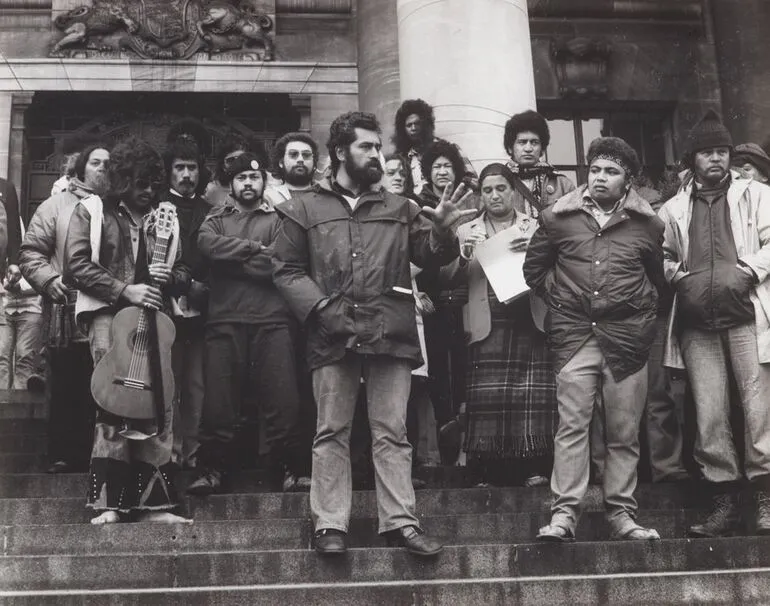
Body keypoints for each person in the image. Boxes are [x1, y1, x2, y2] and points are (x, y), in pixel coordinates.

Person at [273, 111, 474, 556]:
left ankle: (401, 522)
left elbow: (431, 253)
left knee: (392, 432)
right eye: (367, 147)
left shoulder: (401, 207)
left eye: (378, 147)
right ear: (341, 151)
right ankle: (329, 525)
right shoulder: (301, 208)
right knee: (331, 431)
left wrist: (442, 232)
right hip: (332, 331)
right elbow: (286, 271)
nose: (377, 155)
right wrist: (323, 309)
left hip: (389, 330)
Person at [524, 136, 665, 542]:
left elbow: (658, 281)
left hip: (628, 340)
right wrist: (566, 300)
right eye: (596, 169)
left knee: (624, 432)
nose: (601, 177)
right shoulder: (557, 218)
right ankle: (564, 515)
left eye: (612, 171)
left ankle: (621, 514)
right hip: (574, 340)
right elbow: (534, 271)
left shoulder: (648, 225)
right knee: (572, 427)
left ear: (628, 181)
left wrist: (639, 314)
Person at [64, 137, 189, 524]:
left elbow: (184, 271)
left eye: (153, 184)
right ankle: (110, 505)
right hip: (108, 317)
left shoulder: (165, 217)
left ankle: (156, 507)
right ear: (121, 181)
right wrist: (124, 289)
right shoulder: (93, 211)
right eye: (139, 184)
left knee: (159, 405)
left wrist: (172, 277)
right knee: (113, 405)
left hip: (155, 319)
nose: (148, 192)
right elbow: (75, 266)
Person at [659, 110, 770, 537]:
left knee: (759, 407)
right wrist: (679, 279)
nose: (716, 159)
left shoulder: (756, 195)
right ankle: (722, 501)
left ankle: (764, 499)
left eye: (722, 151)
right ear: (693, 159)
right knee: (709, 411)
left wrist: (747, 272)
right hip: (696, 323)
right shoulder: (673, 208)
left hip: (746, 315)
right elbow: (663, 256)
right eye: (707, 152)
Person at [188, 152, 310, 495]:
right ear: (232, 184)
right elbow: (206, 245)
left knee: (282, 399)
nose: (248, 184)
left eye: (254, 178)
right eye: (241, 178)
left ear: (264, 182)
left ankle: (292, 468)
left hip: (273, 321)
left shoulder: (280, 219)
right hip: (224, 320)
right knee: (218, 402)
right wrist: (254, 249)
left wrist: (231, 262)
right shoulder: (215, 218)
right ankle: (211, 470)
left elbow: (278, 264)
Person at [441, 163, 558, 487]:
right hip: (487, 320)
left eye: (501, 189)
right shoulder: (467, 230)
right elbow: (447, 279)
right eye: (488, 190)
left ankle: (534, 467)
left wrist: (536, 252)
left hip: (528, 318)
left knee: (529, 398)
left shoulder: (535, 226)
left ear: (513, 191)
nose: (494, 195)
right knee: (490, 401)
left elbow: (555, 271)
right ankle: (488, 472)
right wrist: (464, 255)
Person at [19, 143, 109, 474]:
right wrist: (48, 279)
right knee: (69, 381)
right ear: (81, 168)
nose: (102, 168)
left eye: (108, 164)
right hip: (66, 308)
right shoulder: (55, 205)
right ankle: (65, 453)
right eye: (96, 162)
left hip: (106, 310)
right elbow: (30, 253)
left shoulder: (114, 206)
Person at [163, 133, 212, 469]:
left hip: (203, 310)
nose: (186, 175)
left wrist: (202, 286)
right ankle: (168, 452)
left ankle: (192, 454)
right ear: (169, 171)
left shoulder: (211, 210)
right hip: (166, 308)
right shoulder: (157, 208)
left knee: (197, 386)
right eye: (179, 167)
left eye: (191, 168)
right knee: (168, 383)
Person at [392, 99, 477, 195]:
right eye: (409, 125)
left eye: (417, 123)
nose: (413, 128)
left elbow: (474, 181)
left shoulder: (450, 149)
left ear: (426, 124)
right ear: (403, 130)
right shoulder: (403, 158)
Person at [503, 110, 575, 216]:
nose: (528, 148)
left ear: (542, 149)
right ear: (510, 148)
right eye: (522, 142)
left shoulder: (562, 184)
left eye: (534, 142)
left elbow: (575, 223)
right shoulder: (499, 181)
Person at [264, 132, 319, 206]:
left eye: (306, 155)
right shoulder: (268, 198)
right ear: (281, 162)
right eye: (293, 154)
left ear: (314, 164)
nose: (300, 159)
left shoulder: (326, 197)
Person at [204, 133, 250, 207]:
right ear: (223, 166)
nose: (237, 164)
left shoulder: (256, 187)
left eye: (241, 159)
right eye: (231, 161)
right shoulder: (212, 190)